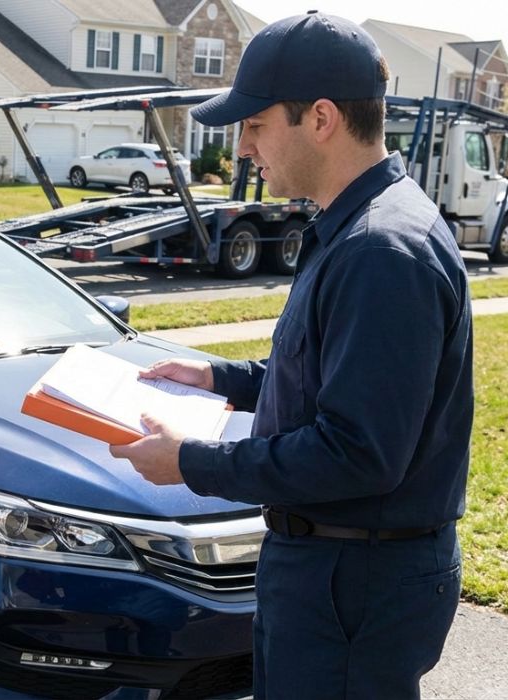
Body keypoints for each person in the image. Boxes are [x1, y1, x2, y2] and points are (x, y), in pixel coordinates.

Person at [109, 12, 474, 700]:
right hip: (334, 566)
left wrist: (191, 462)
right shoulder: (357, 229)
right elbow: (331, 377)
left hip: (353, 579)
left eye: (255, 125)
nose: (244, 147)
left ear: (323, 118)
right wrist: (220, 377)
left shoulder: (380, 251)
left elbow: (357, 451)